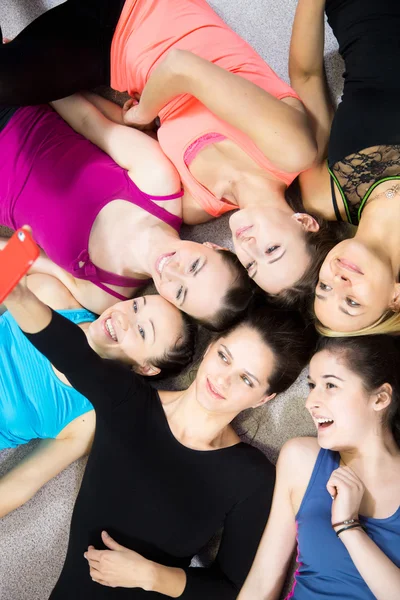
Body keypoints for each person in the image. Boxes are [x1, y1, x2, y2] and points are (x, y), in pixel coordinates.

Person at [0, 0, 346, 297]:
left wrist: (45, 90)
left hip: (111, 60)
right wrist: (144, 112)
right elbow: (181, 67)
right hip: (145, 10)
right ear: (304, 222)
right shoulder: (291, 151)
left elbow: (124, 134)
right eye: (272, 250)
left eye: (251, 265)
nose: (249, 247)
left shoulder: (198, 205)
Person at [3, 280, 315, 598]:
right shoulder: (129, 401)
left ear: (263, 398)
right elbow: (71, 352)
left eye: (246, 379)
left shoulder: (252, 478)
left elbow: (232, 588)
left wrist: (151, 576)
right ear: (210, 349)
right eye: (224, 357)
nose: (223, 379)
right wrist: (18, 294)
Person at [0, 94, 251, 327]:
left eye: (180, 293)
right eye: (195, 266)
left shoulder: (104, 296)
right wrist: (27, 75)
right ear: (214, 247)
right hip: (14, 117)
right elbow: (88, 121)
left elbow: (27, 258)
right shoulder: (158, 182)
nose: (173, 271)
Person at [0, 253, 196, 517]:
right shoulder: (51, 293)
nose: (124, 318)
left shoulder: (88, 416)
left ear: (145, 367)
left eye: (141, 331)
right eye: (137, 306)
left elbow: (23, 482)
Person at [238, 334, 400, 600]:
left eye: (331, 385)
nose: (310, 401)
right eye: (312, 385)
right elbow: (263, 579)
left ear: (380, 398)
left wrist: (348, 527)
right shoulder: (301, 459)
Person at [288, 0, 400, 335]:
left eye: (324, 288)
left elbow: (305, 78)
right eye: (352, 303)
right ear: (395, 299)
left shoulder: (323, 192)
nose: (338, 281)